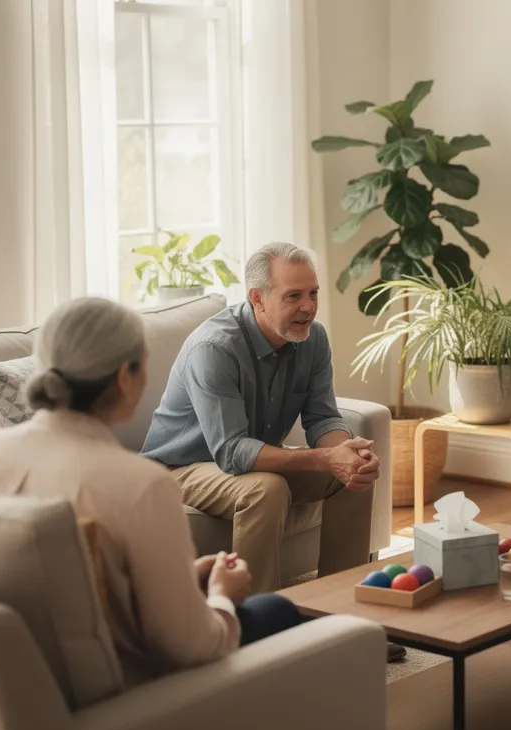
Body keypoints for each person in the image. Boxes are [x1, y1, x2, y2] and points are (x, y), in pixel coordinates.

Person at [0, 297, 302, 682]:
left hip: (22, 671)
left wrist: (185, 575)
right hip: (129, 689)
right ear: (125, 377)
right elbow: (192, 644)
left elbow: (71, 582)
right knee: (278, 612)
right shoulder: (141, 485)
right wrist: (222, 593)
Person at [142, 242, 380, 594]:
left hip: (251, 457)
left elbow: (323, 418)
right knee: (266, 489)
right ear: (257, 299)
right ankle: (259, 623)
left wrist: (345, 453)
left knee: (354, 471)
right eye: (294, 296)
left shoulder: (314, 339)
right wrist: (322, 458)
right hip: (180, 468)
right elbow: (232, 451)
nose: (309, 307)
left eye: (313, 293)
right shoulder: (215, 348)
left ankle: (342, 608)